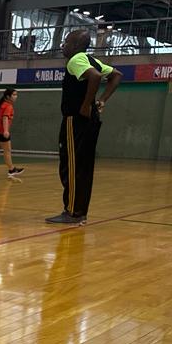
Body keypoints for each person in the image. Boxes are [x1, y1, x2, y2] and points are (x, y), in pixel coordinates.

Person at [46, 29, 122, 225]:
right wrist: (102, 100)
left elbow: (95, 77)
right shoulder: (92, 59)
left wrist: (86, 104)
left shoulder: (76, 60)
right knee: (83, 167)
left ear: (75, 45)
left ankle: (72, 212)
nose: (63, 46)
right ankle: (79, 211)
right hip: (89, 121)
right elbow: (116, 75)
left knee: (71, 166)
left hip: (76, 120)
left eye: (66, 42)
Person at [0, 88, 23, 177]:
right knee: (7, 150)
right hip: (1, 131)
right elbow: (5, 118)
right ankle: (11, 169)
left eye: (16, 95)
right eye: (14, 95)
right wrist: (5, 130)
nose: (16, 96)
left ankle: (11, 168)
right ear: (8, 97)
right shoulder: (8, 106)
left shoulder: (1, 105)